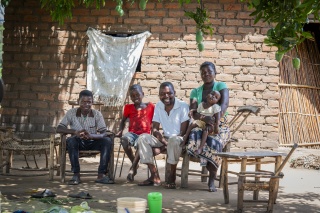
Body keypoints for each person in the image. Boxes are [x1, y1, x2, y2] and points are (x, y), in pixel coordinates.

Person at [129, 82, 189, 188]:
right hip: (164, 139)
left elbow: (183, 132)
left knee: (174, 141)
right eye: (162, 94)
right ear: (159, 95)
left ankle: (172, 177)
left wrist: (168, 143)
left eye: (169, 93)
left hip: (179, 139)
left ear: (174, 93)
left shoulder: (183, 106)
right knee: (143, 138)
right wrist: (163, 141)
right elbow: (155, 128)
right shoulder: (159, 106)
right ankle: (154, 175)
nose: (166, 96)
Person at [187, 61, 230, 192]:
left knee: (215, 141)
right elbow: (193, 112)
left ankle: (212, 179)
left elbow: (225, 104)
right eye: (203, 73)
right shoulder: (196, 91)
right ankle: (201, 154)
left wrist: (215, 120)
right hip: (201, 122)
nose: (206, 74)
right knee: (194, 134)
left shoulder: (220, 86)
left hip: (219, 122)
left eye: (209, 72)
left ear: (215, 73)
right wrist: (203, 118)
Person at [56, 89, 114, 185]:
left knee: (107, 141)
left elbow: (104, 132)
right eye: (83, 102)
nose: (86, 104)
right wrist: (75, 132)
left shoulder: (97, 114)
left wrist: (92, 135)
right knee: (71, 141)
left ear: (92, 102)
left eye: (89, 102)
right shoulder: (71, 113)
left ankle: (101, 175)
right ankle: (76, 175)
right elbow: (59, 128)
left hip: (93, 142)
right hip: (78, 143)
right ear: (78, 101)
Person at [115, 84, 155, 182]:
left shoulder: (151, 106)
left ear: (143, 94)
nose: (135, 97)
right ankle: (134, 164)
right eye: (132, 96)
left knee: (141, 142)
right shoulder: (128, 107)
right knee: (124, 140)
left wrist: (154, 130)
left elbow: (155, 121)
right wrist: (120, 130)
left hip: (145, 135)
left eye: (137, 94)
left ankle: (132, 169)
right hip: (132, 133)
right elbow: (123, 121)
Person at [181, 90, 221, 166]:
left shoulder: (215, 107)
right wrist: (193, 110)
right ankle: (185, 138)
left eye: (216, 97)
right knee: (192, 124)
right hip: (201, 121)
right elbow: (198, 113)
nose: (213, 96)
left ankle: (200, 148)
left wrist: (216, 128)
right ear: (207, 95)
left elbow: (217, 119)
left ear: (217, 101)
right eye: (212, 94)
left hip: (210, 124)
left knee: (206, 130)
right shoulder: (201, 105)